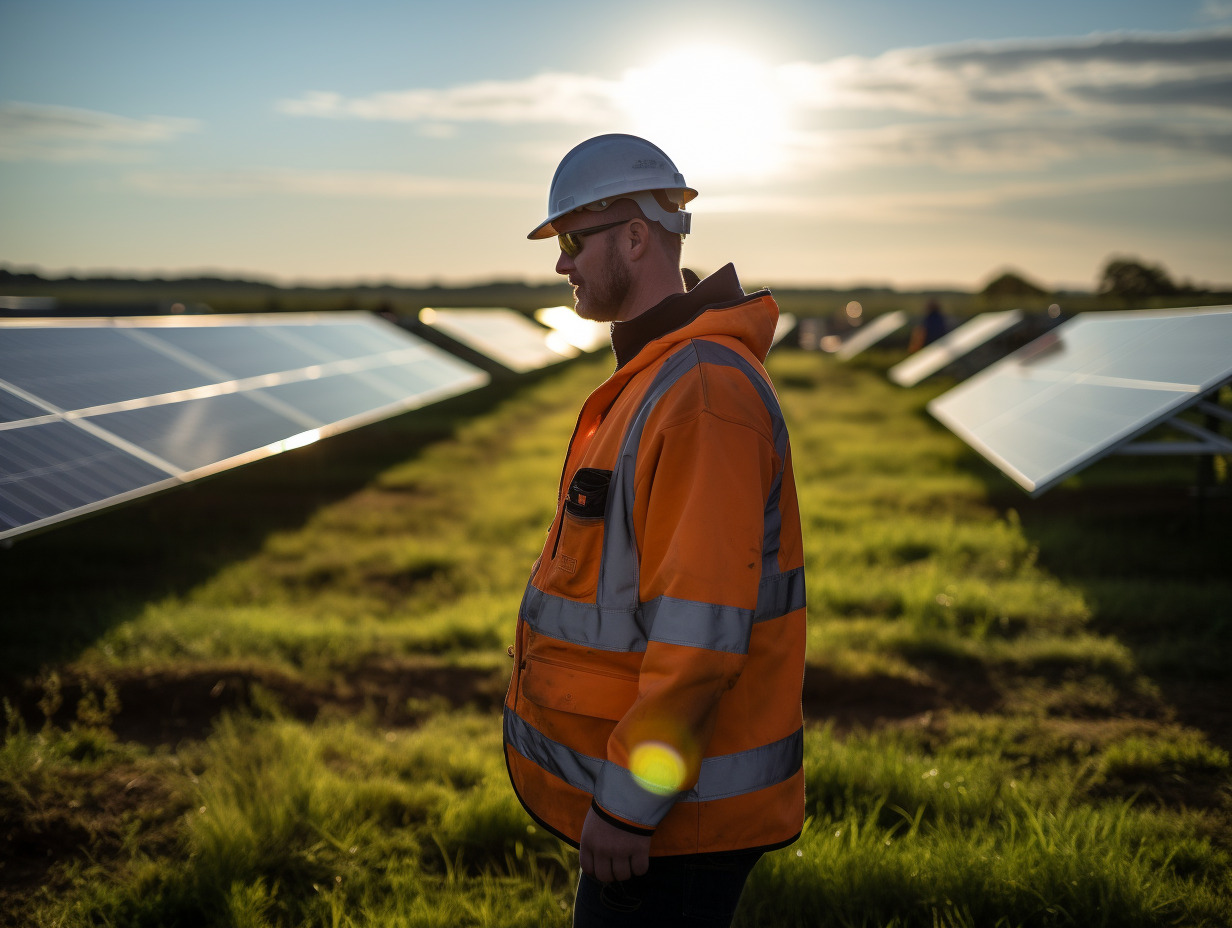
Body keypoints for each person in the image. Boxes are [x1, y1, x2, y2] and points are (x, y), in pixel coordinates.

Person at [503, 134, 807, 927]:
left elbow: (700, 632)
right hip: (654, 804)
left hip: (676, 818)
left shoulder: (702, 389)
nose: (561, 264)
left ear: (637, 236)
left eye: (572, 240)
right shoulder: (662, 378)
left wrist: (631, 804)